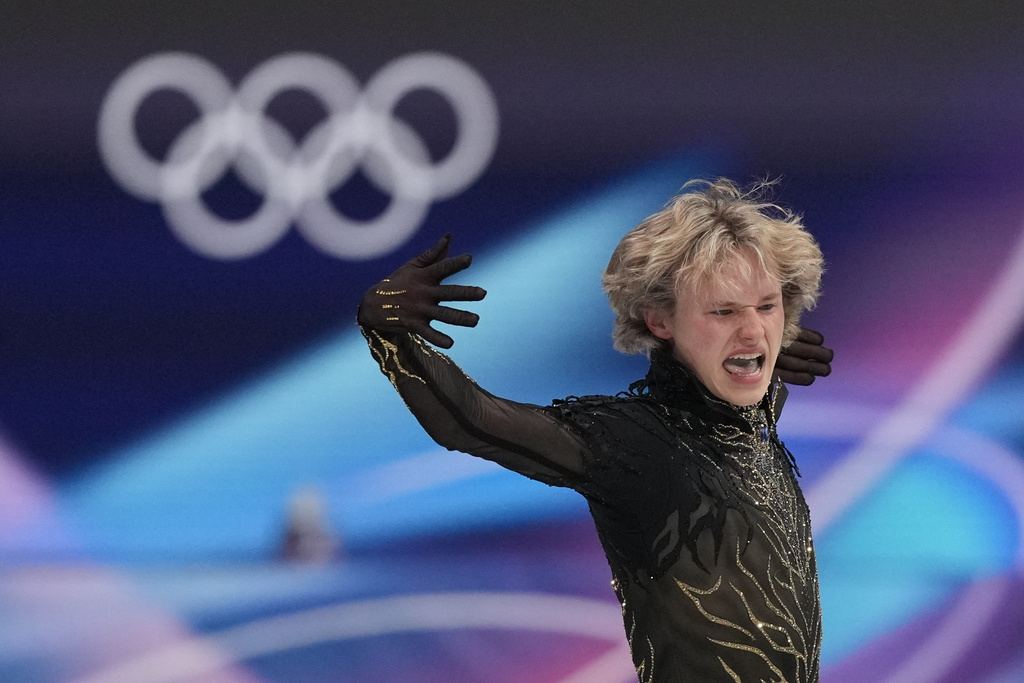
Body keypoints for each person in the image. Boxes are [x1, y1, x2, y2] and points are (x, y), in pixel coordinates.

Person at [358, 178, 830, 682]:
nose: (755, 329)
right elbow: (473, 421)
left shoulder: (752, 422)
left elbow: (728, 416)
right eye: (724, 311)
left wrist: (757, 361)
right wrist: (386, 332)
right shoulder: (637, 444)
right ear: (660, 322)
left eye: (767, 306)